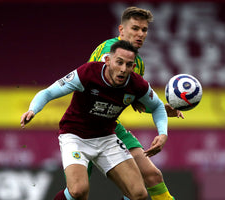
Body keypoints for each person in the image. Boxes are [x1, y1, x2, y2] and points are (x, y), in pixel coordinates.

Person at [20, 40, 168, 200]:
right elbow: (48, 93)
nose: (123, 69)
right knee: (78, 191)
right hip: (75, 136)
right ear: (107, 60)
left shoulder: (137, 85)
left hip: (106, 138)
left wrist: (162, 133)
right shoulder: (87, 73)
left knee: (139, 194)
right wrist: (33, 110)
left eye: (129, 65)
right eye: (119, 62)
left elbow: (158, 107)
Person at [88, 6, 183, 200]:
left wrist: (158, 108)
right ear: (121, 30)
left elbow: (132, 100)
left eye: (144, 30)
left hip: (110, 126)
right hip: (84, 126)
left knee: (152, 176)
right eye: (135, 28)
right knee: (78, 192)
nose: (140, 34)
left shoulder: (137, 64)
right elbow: (106, 88)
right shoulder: (109, 52)